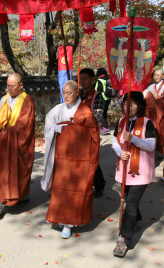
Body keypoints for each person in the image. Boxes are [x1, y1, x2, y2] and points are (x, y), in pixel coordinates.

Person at [41, 81, 100, 239]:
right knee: (60, 188)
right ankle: (60, 218)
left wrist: (65, 129)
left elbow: (92, 134)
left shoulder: (85, 111)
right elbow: (49, 122)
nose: (66, 96)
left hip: (78, 159)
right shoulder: (59, 109)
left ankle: (70, 223)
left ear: (77, 93)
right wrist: (57, 128)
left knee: (75, 190)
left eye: (69, 93)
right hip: (62, 156)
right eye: (64, 93)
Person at [112, 92, 156, 257]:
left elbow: (151, 146)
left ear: (140, 106)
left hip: (140, 170)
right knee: (130, 198)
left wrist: (133, 139)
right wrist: (120, 152)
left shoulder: (147, 123)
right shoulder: (121, 121)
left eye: (131, 104)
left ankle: (124, 239)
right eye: (125, 104)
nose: (127, 107)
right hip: (124, 169)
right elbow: (115, 142)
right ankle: (137, 219)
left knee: (130, 204)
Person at [0, 73, 36, 217]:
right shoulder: (4, 99)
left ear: (21, 85)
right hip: (3, 143)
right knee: (3, 173)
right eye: (7, 85)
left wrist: (5, 133)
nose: (9, 88)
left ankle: (16, 197)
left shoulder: (27, 101)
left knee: (18, 171)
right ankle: (0, 202)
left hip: (16, 143)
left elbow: (24, 126)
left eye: (12, 86)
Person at [79, 68, 107, 197]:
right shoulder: (76, 94)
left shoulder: (97, 96)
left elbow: (98, 115)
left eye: (85, 78)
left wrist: (82, 121)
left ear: (92, 80)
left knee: (91, 160)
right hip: (76, 134)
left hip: (90, 133)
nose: (82, 81)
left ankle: (99, 185)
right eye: (81, 78)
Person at [144, 69, 164, 157]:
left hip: (161, 114)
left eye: (158, 75)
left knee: (161, 131)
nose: (156, 77)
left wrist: (159, 98)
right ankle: (153, 149)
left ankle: (160, 150)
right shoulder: (151, 86)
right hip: (152, 113)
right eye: (154, 75)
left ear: (162, 76)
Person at [95, 68, 117, 134]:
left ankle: (105, 128)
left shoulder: (99, 80)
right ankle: (106, 127)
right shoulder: (108, 79)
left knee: (99, 113)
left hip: (102, 98)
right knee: (104, 113)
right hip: (108, 98)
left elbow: (98, 90)